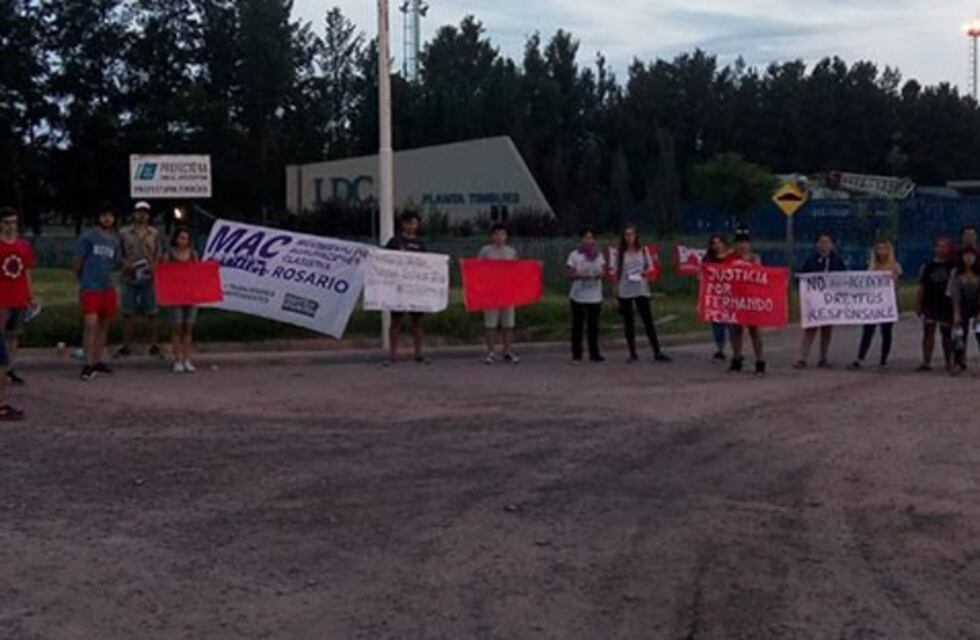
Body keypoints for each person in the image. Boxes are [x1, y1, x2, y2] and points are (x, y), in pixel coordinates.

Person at [73, 204, 122, 381]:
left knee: (104, 324)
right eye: (104, 216)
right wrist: (83, 279)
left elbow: (116, 262)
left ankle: (98, 359)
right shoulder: (88, 237)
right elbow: (78, 261)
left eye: (110, 216)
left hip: (107, 286)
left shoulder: (114, 240)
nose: (107, 219)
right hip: (90, 287)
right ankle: (87, 362)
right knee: (90, 324)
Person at [613, 224, 671, 363]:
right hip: (625, 288)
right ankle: (632, 353)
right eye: (626, 235)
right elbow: (617, 272)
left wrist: (645, 273)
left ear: (636, 236)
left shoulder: (643, 251)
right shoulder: (620, 253)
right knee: (629, 322)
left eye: (631, 234)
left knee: (647, 320)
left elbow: (650, 267)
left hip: (640, 287)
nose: (629, 237)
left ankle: (657, 351)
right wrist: (615, 293)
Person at [795, 232, 847, 369]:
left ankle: (823, 357)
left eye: (827, 242)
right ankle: (802, 358)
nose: (824, 245)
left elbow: (844, 279)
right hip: (814, 301)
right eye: (821, 242)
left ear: (832, 245)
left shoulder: (837, 261)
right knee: (810, 329)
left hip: (830, 302)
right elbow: (803, 277)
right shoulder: (811, 260)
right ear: (817, 245)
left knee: (826, 330)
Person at [384, 212, 429, 366]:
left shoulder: (421, 244)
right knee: (395, 321)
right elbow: (384, 259)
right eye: (409, 223)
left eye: (414, 223)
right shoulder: (395, 242)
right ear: (403, 224)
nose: (411, 226)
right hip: (398, 288)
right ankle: (392, 355)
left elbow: (428, 264)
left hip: (415, 288)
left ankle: (419, 353)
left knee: (417, 321)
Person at [117, 201, 162, 357]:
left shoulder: (154, 233)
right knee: (127, 312)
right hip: (130, 275)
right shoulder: (124, 233)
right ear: (133, 214)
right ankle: (126, 345)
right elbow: (119, 253)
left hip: (148, 276)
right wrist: (125, 264)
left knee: (152, 312)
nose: (141, 215)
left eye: (145, 212)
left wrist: (154, 266)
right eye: (138, 212)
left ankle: (154, 345)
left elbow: (159, 253)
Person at [849, 240, 902, 370]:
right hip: (872, 304)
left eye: (884, 249)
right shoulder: (872, 267)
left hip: (886, 304)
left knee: (886, 332)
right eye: (878, 249)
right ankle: (860, 358)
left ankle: (883, 360)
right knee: (868, 330)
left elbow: (896, 286)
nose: (881, 252)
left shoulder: (894, 267)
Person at [0, 207, 36, 386]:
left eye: (13, 222)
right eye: (7, 222)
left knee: (14, 335)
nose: (10, 226)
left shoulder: (23, 246)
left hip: (19, 295)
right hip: (2, 297)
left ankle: (10, 368)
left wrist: (30, 295)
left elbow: (27, 271)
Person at [478, 224, 520, 364]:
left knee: (508, 323)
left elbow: (517, 270)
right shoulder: (485, 251)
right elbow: (477, 269)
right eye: (496, 234)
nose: (499, 237)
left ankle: (507, 351)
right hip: (490, 291)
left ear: (506, 236)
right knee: (491, 323)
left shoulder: (511, 252)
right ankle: (490, 352)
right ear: (492, 236)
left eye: (502, 234)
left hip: (507, 292)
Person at [727, 228, 766, 375]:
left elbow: (763, 277)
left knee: (754, 330)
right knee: (736, 330)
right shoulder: (730, 259)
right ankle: (736, 359)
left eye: (745, 242)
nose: (742, 246)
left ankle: (760, 361)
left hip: (751, 299)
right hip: (736, 298)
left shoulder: (755, 259)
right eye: (739, 242)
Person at [916, 237, 956, 372]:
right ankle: (926, 362)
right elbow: (922, 286)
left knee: (947, 333)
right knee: (928, 331)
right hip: (930, 303)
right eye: (938, 246)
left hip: (946, 304)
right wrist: (918, 304)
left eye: (944, 246)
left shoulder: (953, 266)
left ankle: (948, 361)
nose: (940, 249)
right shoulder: (927, 266)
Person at [566, 227, 606, 363]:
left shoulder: (599, 254)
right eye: (586, 238)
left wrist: (598, 274)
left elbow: (603, 271)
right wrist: (580, 275)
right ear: (581, 239)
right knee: (577, 325)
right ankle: (577, 354)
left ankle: (594, 353)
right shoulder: (574, 255)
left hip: (594, 295)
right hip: (578, 295)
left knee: (593, 326)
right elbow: (570, 274)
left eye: (591, 238)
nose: (588, 240)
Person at [165, 227, 199, 374]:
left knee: (188, 328)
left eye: (186, 238)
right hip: (175, 296)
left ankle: (187, 359)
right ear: (175, 239)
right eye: (181, 238)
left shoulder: (193, 254)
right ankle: (177, 359)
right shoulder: (168, 255)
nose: (183, 241)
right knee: (177, 327)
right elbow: (164, 274)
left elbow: (199, 272)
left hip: (190, 294)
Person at [947, 245, 980, 376]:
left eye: (971, 255)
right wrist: (956, 312)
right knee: (959, 335)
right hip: (961, 306)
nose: (969, 258)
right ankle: (958, 362)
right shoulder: (955, 273)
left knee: (979, 333)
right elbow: (954, 293)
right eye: (966, 255)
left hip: (977, 305)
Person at [704, 235, 731, 361]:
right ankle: (720, 349)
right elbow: (703, 275)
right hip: (716, 296)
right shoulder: (708, 259)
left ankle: (737, 350)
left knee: (732, 324)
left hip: (731, 295)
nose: (717, 245)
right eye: (714, 243)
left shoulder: (732, 257)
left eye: (719, 242)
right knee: (717, 324)